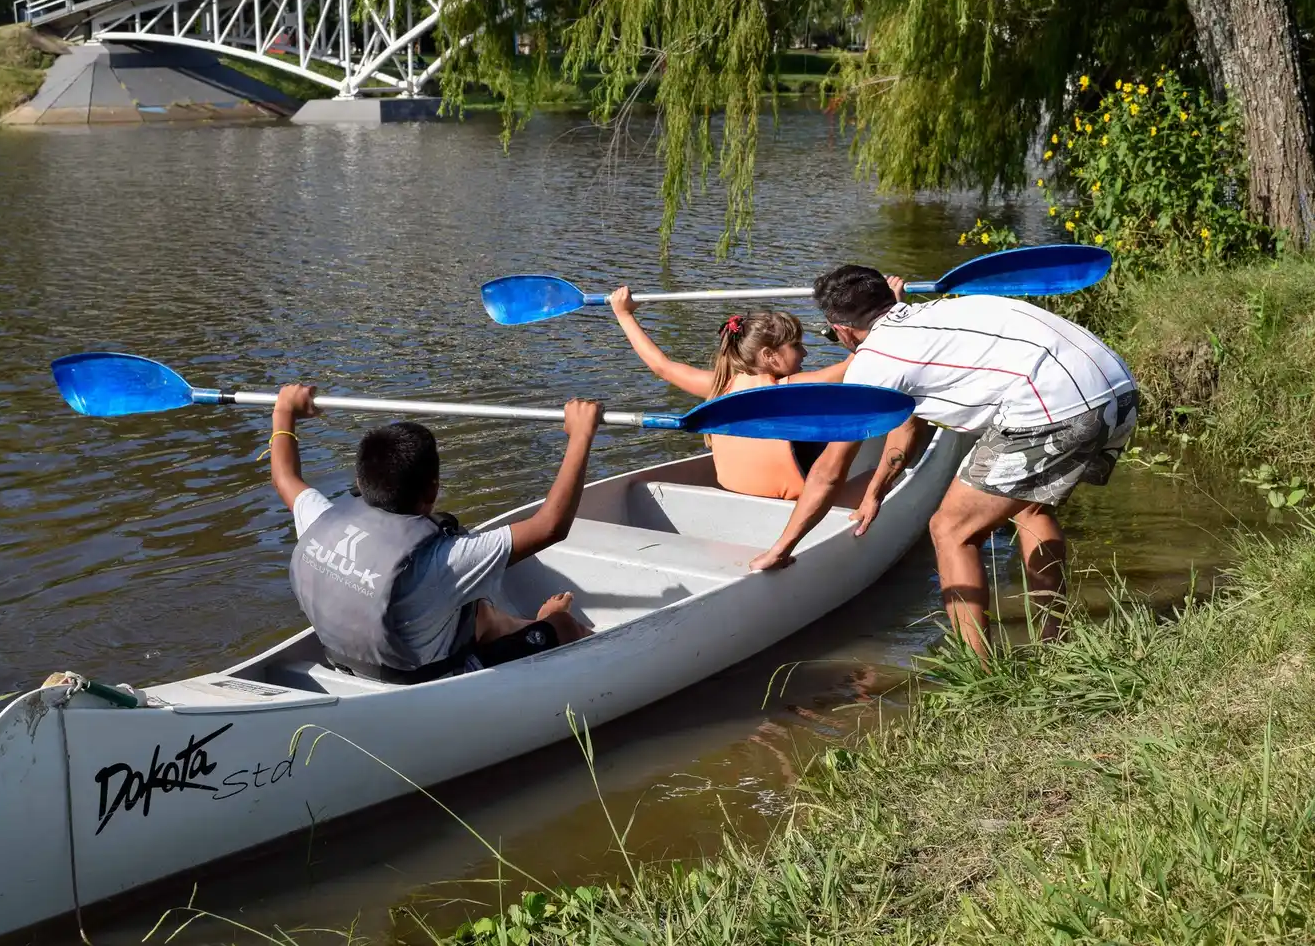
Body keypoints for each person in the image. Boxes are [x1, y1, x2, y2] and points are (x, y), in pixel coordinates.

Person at [752, 264, 1139, 662]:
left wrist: (783, 548)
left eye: (832, 333)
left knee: (950, 528)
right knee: (1029, 504)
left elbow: (830, 471)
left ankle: (980, 672)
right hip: (1115, 386)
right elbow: (908, 423)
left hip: (1056, 408)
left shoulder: (873, 365)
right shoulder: (936, 313)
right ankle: (1054, 641)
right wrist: (876, 490)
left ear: (843, 329)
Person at [268, 383, 601, 683]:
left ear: (361, 482)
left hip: (348, 663)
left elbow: (285, 477)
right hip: (423, 682)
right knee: (563, 627)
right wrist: (581, 435)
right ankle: (548, 622)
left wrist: (284, 411)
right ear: (432, 491)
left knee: (477, 609)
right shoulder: (443, 561)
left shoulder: (321, 520)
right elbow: (550, 527)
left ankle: (525, 624)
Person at [608, 286, 841, 499]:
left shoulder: (719, 386)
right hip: (794, 505)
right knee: (870, 475)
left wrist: (624, 314)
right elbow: (854, 364)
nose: (805, 353)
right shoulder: (792, 387)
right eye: (797, 345)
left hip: (737, 496)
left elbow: (662, 367)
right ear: (769, 355)